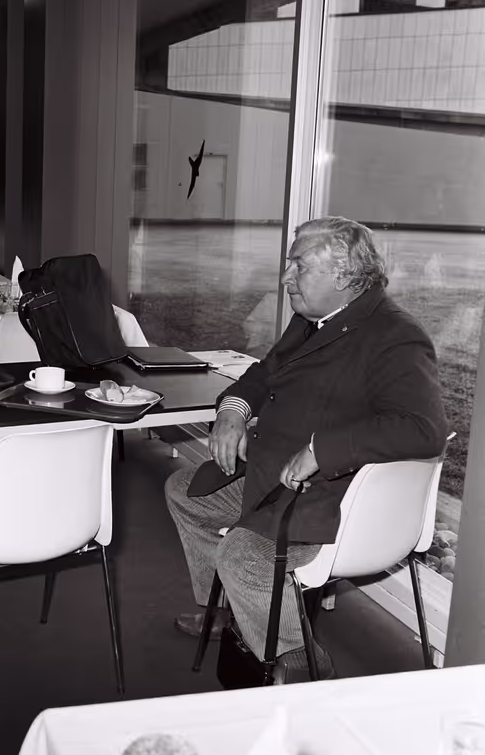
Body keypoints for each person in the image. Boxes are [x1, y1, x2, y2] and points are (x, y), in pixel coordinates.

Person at [164, 216, 448, 683]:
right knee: (185, 492)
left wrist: (322, 450)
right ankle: (232, 611)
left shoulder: (394, 336)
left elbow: (423, 429)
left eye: (299, 266)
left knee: (244, 557)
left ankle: (302, 666)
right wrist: (232, 411)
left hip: (330, 495)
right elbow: (264, 373)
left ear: (344, 276)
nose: (286, 277)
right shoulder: (315, 319)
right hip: (274, 477)